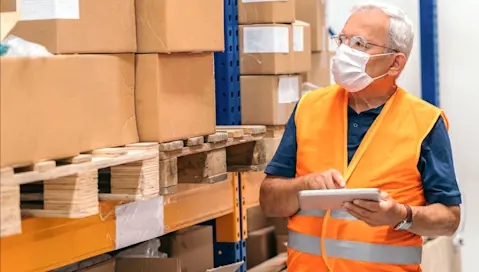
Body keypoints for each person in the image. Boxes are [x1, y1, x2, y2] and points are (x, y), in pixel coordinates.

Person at [259, 3, 462, 272]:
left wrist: (401, 216)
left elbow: (449, 219)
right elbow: (269, 200)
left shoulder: (425, 122)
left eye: (360, 44)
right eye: (342, 39)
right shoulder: (309, 108)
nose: (344, 51)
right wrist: (304, 185)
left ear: (395, 62)